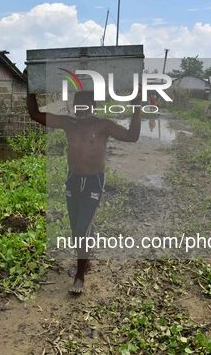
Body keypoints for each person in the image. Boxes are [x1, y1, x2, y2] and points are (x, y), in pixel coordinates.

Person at [26, 81, 141, 294]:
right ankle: (85, 259)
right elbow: (35, 114)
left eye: (85, 104)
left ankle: (80, 276)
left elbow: (132, 136)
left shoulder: (103, 125)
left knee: (81, 228)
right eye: (77, 104)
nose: (80, 108)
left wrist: (137, 107)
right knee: (76, 228)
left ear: (92, 105)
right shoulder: (68, 123)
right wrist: (30, 85)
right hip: (73, 181)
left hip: (93, 182)